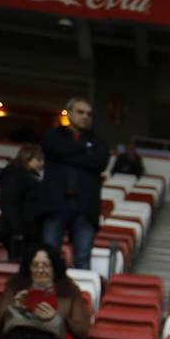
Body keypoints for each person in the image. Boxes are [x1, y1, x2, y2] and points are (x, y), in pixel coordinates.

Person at [41, 96, 109, 271]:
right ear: (69, 113)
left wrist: (66, 155)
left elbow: (100, 162)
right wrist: (84, 150)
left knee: (83, 258)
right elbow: (55, 150)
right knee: (49, 256)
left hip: (85, 207)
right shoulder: (53, 135)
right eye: (80, 112)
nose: (85, 116)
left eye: (89, 114)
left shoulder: (98, 141)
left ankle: (79, 297)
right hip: (55, 204)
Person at [0, 243, 91, 339]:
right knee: (14, 337)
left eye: (45, 265)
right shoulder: (15, 285)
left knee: (43, 338)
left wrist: (57, 317)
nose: (40, 270)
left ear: (54, 267)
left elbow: (81, 331)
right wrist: (14, 307)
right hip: (18, 333)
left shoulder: (69, 290)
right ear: (29, 267)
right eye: (35, 265)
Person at [0, 144, 47, 262]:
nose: (42, 164)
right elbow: (9, 204)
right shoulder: (13, 175)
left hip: (30, 232)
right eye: (39, 160)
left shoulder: (29, 177)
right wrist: (17, 230)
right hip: (19, 233)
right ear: (27, 158)